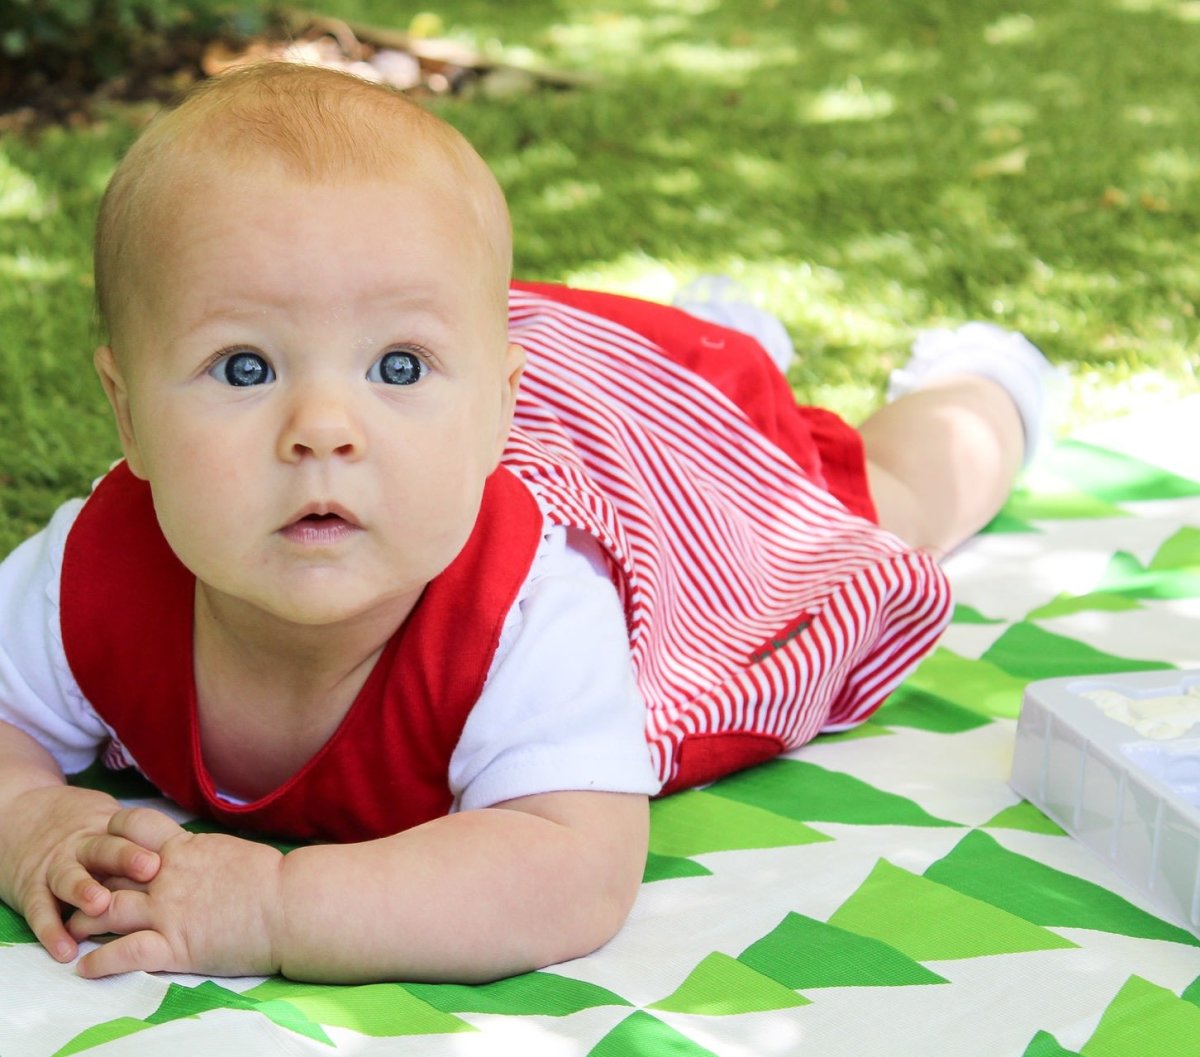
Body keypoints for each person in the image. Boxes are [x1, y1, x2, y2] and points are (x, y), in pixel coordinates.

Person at [0, 63, 1058, 985]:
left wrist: (278, 907)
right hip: (517, 385)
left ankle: (982, 382)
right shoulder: (91, 574)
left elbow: (571, 867)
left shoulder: (526, 606)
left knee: (881, 501)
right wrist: (29, 820)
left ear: (490, 408)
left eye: (395, 366)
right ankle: (698, 342)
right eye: (244, 367)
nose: (321, 429)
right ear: (128, 414)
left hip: (654, 463)